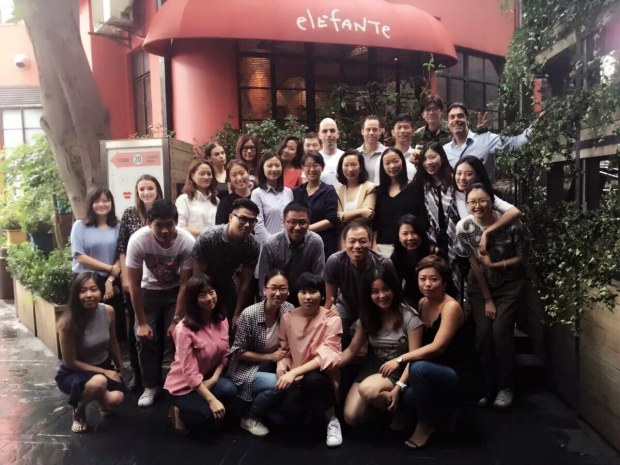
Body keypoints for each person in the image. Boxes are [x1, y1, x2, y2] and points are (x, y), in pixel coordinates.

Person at [382, 255, 480, 449]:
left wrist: (400, 359)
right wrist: (399, 385)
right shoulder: (422, 303)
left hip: (456, 373)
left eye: (433, 279)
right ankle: (446, 414)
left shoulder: (451, 307)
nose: (427, 284)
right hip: (431, 369)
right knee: (408, 397)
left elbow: (437, 347)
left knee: (418, 368)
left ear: (444, 282)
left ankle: (426, 425)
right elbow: (419, 347)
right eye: (422, 279)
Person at [454, 182, 529, 409]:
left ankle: (506, 387)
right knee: (484, 334)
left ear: (492, 201)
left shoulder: (512, 224)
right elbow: (474, 265)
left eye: (483, 201)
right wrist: (487, 299)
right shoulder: (464, 228)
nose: (478, 206)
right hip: (480, 287)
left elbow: (522, 257)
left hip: (509, 285)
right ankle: (486, 386)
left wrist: (496, 265)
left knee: (501, 333)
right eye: (472, 202)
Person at [249, 273, 343, 447]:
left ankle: (332, 420)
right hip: (294, 377)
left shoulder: (332, 318)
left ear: (322, 295)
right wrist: (281, 368)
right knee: (290, 415)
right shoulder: (288, 317)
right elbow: (284, 350)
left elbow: (327, 355)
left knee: (312, 380)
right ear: (297, 294)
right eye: (303, 292)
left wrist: (294, 373)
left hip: (321, 375)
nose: (308, 297)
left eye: (313, 291)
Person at [125, 199, 195, 407]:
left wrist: (176, 319)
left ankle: (179, 382)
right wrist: (141, 322)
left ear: (176, 222)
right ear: (149, 223)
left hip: (175, 291)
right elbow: (134, 284)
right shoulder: (138, 240)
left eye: (169, 225)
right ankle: (150, 385)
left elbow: (185, 284)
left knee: (179, 335)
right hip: (148, 291)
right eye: (159, 225)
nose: (165, 231)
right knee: (144, 338)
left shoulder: (187, 241)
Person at [340, 267, 423, 426]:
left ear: (394, 289)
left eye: (386, 289)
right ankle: (386, 409)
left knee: (367, 390)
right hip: (374, 365)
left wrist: (399, 387)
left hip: (400, 367)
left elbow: (415, 357)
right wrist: (328, 365)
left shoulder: (409, 317)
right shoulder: (368, 315)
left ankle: (401, 409)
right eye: (375, 291)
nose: (381, 295)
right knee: (351, 417)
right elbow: (351, 350)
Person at [164, 274, 237, 435]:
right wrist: (211, 400)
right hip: (183, 385)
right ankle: (177, 409)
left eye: (211, 292)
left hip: (207, 378)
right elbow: (190, 374)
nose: (209, 298)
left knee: (230, 391)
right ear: (193, 300)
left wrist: (215, 378)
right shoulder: (184, 329)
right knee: (207, 418)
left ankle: (197, 404)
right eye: (202, 295)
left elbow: (225, 354)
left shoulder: (222, 319)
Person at [226, 270, 295, 437]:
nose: (278, 293)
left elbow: (286, 345)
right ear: (264, 289)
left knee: (293, 380)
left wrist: (279, 364)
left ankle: (268, 409)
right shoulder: (249, 314)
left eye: (283, 288)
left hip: (274, 363)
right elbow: (238, 352)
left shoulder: (289, 309)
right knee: (278, 384)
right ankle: (249, 417)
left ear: (288, 290)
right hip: (246, 367)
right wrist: (268, 357)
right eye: (273, 288)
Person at [55, 272, 126, 433]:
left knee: (116, 399)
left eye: (93, 289)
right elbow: (70, 362)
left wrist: (120, 367)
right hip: (75, 372)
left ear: (101, 291)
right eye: (83, 291)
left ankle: (100, 398)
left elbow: (113, 342)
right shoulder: (67, 323)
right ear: (76, 295)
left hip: (103, 365)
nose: (89, 295)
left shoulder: (108, 311)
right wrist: (104, 372)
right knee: (99, 382)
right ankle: (78, 410)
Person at [117, 175, 164, 392]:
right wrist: (125, 277)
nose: (146, 192)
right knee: (136, 328)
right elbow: (122, 247)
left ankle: (157, 375)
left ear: (157, 190)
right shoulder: (130, 213)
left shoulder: (164, 210)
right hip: (135, 278)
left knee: (158, 329)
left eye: (150, 188)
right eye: (142, 189)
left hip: (159, 280)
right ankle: (137, 374)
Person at [324, 219, 399, 348]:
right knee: (332, 327)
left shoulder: (383, 263)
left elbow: (394, 294)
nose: (357, 246)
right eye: (352, 241)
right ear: (344, 242)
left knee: (368, 337)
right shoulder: (335, 261)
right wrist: (331, 311)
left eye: (363, 241)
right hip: (347, 305)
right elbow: (330, 299)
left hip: (376, 307)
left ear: (370, 242)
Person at [193, 198, 261, 326]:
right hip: (204, 283)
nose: (247, 224)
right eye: (242, 219)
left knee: (230, 323)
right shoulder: (209, 238)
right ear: (231, 217)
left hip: (227, 284)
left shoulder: (253, 245)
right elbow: (197, 277)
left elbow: (245, 282)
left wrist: (237, 313)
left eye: (252, 221)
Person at [70, 187, 124, 341]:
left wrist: (110, 279)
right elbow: (80, 257)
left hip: (112, 281)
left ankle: (116, 355)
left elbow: (121, 254)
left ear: (111, 203)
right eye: (97, 201)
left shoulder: (118, 226)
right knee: (86, 324)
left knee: (114, 325)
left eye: (105, 200)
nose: (101, 204)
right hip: (86, 281)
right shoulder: (80, 226)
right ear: (90, 204)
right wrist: (109, 268)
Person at [412, 142, 461, 298]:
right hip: (433, 241)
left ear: (442, 157)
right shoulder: (422, 184)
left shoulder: (455, 180)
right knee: (438, 279)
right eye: (424, 159)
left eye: (432, 157)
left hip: (456, 238)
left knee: (458, 280)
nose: (429, 162)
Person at [256, 203, 325, 305]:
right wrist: (267, 306)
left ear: (309, 222)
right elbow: (264, 279)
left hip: (305, 294)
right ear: (284, 222)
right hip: (278, 294)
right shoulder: (271, 244)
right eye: (292, 222)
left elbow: (318, 276)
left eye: (302, 222)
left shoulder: (315, 242)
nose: (297, 227)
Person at [443, 102, 531, 181]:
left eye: (460, 116)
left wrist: (536, 126)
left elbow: (514, 143)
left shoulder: (486, 139)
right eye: (452, 117)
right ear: (448, 123)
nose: (456, 120)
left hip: (482, 193)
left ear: (468, 120)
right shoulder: (445, 151)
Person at [453, 156, 522, 255]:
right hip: (469, 251)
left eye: (468, 174)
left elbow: (515, 212)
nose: (462, 178)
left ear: (478, 176)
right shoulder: (454, 194)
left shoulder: (486, 196)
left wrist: (487, 232)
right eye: (459, 173)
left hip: (492, 249)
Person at [373, 148, 421, 256]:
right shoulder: (378, 192)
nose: (392, 166)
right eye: (387, 163)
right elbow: (376, 223)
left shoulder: (414, 188)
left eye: (395, 161)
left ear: (402, 162)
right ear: (382, 166)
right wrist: (373, 243)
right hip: (383, 247)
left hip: (409, 245)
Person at [293, 151, 339, 257]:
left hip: (324, 244)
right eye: (308, 165)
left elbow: (331, 219)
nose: (312, 169)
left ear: (322, 167)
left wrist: (306, 228)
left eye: (316, 165)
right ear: (302, 168)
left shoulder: (329, 191)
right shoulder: (297, 191)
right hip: (301, 243)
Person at [391, 214, 437, 307]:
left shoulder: (434, 252)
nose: (410, 238)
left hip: (434, 295)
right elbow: (395, 285)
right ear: (398, 237)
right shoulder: (396, 256)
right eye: (405, 234)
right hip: (410, 298)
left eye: (414, 232)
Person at [250, 152, 294, 245]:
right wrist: (274, 245)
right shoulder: (257, 194)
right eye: (269, 166)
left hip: (289, 245)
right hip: (267, 246)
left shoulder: (288, 192)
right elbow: (258, 225)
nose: (274, 169)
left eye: (277, 165)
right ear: (262, 168)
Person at [175, 159, 219, 237]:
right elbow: (180, 227)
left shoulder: (216, 200)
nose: (206, 177)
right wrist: (204, 233)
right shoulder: (184, 199)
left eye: (209, 174)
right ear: (192, 176)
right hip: (192, 243)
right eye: (202, 174)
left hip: (214, 243)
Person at [335, 149, 376, 230]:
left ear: (361, 167)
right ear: (341, 167)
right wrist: (361, 211)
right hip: (343, 235)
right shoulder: (337, 191)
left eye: (354, 165)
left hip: (364, 233)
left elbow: (368, 214)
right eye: (346, 165)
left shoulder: (370, 187)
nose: (350, 169)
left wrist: (345, 215)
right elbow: (338, 217)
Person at [215, 159, 252, 224]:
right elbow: (220, 228)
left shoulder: (257, 196)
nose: (239, 178)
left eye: (242, 173)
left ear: (248, 173)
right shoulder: (225, 203)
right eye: (234, 175)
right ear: (230, 179)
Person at [356, 115, 387, 182]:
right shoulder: (355, 154)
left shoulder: (387, 153)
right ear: (362, 131)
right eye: (368, 129)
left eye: (374, 130)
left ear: (380, 131)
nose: (371, 133)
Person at [387, 114, 418, 181]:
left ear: (413, 132)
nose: (402, 131)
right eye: (399, 127)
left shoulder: (418, 156)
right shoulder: (385, 157)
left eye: (406, 127)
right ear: (393, 132)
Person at [317, 118, 344, 187]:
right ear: (319, 135)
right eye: (324, 131)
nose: (329, 134)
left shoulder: (345, 157)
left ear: (337, 134)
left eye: (332, 131)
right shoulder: (315, 159)